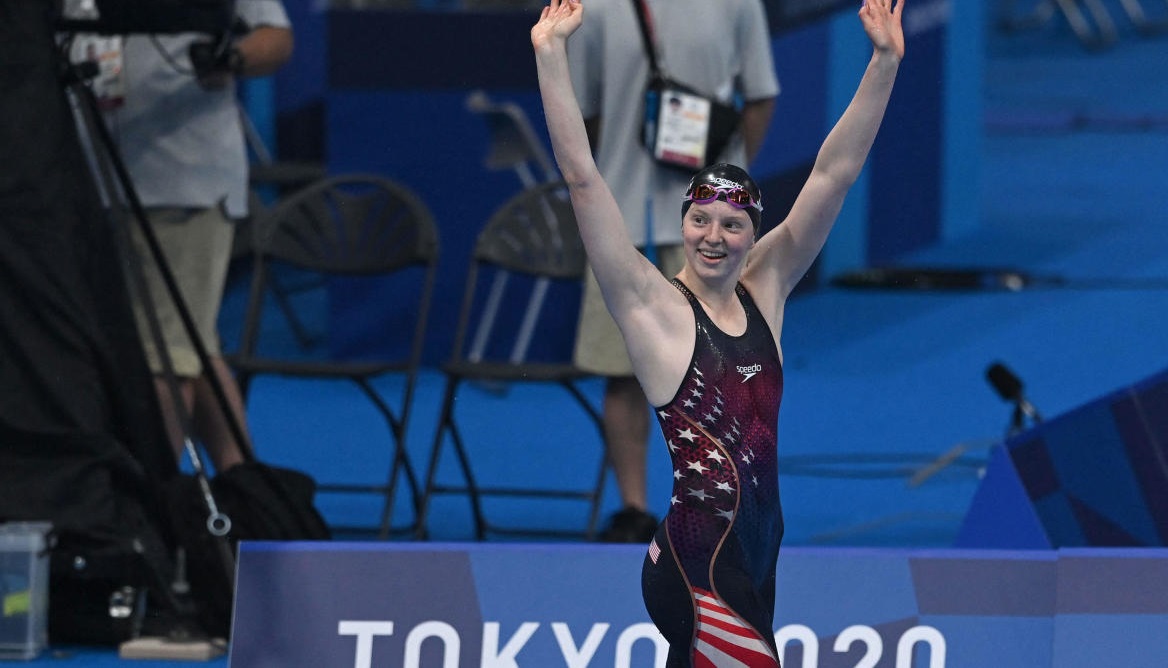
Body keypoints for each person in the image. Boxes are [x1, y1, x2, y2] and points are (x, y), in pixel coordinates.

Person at [531, 0, 905, 663]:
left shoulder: (768, 288)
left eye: (732, 225)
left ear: (753, 235)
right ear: (683, 224)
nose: (714, 237)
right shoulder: (653, 307)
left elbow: (834, 173)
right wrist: (549, 55)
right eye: (701, 220)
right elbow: (584, 181)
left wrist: (883, 62)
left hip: (758, 557)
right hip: (697, 566)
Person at [565, 0, 779, 542]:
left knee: (725, 376)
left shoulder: (738, 3)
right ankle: (634, 508)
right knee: (621, 376)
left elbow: (760, 96)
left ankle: (719, 508)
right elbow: (583, 111)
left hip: (710, 235)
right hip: (626, 222)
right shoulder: (595, 6)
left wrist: (723, 192)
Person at [107, 1, 293, 471]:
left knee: (165, 360)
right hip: (102, 181)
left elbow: (276, 38)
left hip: (184, 182)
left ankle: (155, 500)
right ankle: (246, 491)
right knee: (191, 346)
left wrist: (229, 59)